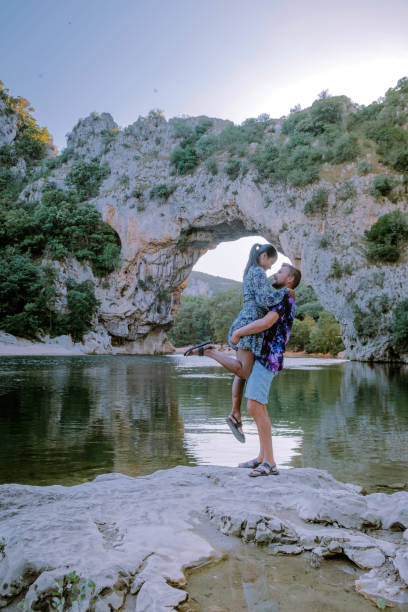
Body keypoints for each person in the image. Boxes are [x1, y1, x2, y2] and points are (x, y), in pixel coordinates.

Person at [184, 243, 290, 438]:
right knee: (244, 370)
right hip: (250, 322)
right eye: (270, 263)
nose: (269, 268)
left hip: (248, 319)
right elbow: (264, 299)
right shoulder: (258, 272)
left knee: (241, 373)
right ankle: (210, 351)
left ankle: (235, 414)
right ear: (264, 256)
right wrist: (285, 292)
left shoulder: (251, 271)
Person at [231, 263, 301, 477]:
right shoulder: (282, 296)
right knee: (257, 405)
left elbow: (266, 322)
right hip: (264, 355)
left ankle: (270, 462)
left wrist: (238, 333)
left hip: (268, 356)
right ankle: (262, 457)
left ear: (289, 279)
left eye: (280, 272)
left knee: (254, 406)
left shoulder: (285, 298)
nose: (275, 273)